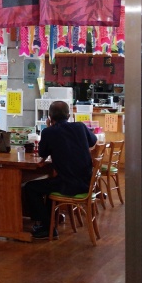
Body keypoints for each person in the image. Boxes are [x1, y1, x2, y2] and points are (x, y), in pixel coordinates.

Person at [22, 100, 96, 240]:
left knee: (30, 187)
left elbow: (42, 153)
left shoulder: (49, 132)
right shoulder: (80, 126)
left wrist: (49, 128)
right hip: (87, 182)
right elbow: (93, 141)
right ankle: (49, 222)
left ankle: (46, 226)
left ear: (50, 117)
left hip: (68, 184)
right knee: (49, 185)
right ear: (68, 115)